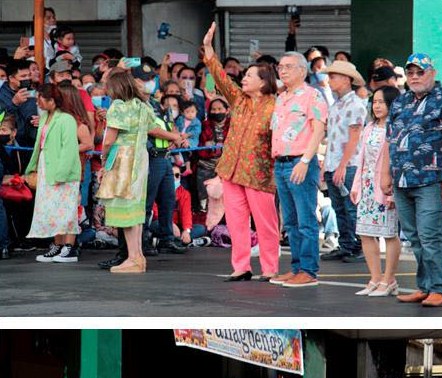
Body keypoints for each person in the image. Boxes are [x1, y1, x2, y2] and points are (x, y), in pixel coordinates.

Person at [378, 52, 442, 306]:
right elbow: (390, 140)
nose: (415, 77)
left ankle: (440, 288)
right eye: (411, 72)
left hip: (433, 180)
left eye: (421, 72)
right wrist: (385, 173)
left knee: (430, 235)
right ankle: (425, 286)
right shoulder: (400, 102)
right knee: (414, 236)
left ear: (433, 72)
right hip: (402, 180)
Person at [201, 22, 280, 282]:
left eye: (249, 76)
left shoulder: (275, 107)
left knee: (266, 223)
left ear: (263, 82)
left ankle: (269, 268)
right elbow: (222, 79)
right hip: (231, 170)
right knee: (236, 222)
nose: (243, 78)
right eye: (244, 75)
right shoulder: (239, 100)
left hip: (259, 173)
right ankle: (241, 266)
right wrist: (208, 50)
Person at [96, 66, 183, 274]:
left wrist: (103, 160)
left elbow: (109, 140)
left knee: (124, 208)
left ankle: (133, 258)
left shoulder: (117, 106)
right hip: (141, 158)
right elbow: (155, 129)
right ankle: (138, 257)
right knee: (135, 209)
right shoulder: (143, 105)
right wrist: (175, 137)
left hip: (123, 159)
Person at [270, 51, 327, 287]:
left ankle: (308, 270)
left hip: (299, 162)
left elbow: (318, 130)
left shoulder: (312, 96)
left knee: (305, 219)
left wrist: (305, 161)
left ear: (302, 71)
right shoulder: (281, 98)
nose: (282, 71)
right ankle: (296, 268)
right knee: (290, 221)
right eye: (281, 67)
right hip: (281, 163)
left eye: (288, 67)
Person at [24, 83, 84, 263]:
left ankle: (69, 247)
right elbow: (38, 146)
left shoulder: (66, 119)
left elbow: (69, 149)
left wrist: (61, 173)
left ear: (51, 100)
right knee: (52, 210)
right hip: (46, 167)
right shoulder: (45, 117)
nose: (38, 102)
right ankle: (57, 245)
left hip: (62, 170)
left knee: (67, 209)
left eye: (40, 99)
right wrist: (32, 166)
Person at [351, 85, 401, 295]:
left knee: (389, 233)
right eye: (375, 101)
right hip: (366, 185)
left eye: (382, 102)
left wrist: (393, 190)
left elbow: (396, 160)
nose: (377, 105)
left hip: (386, 186)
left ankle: (389, 279)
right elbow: (361, 158)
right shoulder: (369, 126)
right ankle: (375, 278)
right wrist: (356, 184)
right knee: (365, 233)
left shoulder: (396, 127)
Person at [321, 59, 366, 265]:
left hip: (348, 164)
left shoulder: (355, 105)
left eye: (333, 77)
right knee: (339, 206)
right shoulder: (336, 105)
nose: (329, 80)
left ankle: (358, 246)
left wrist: (341, 164)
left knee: (350, 206)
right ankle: (347, 244)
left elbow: (354, 137)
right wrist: (327, 164)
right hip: (334, 163)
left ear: (347, 80)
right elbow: (333, 138)